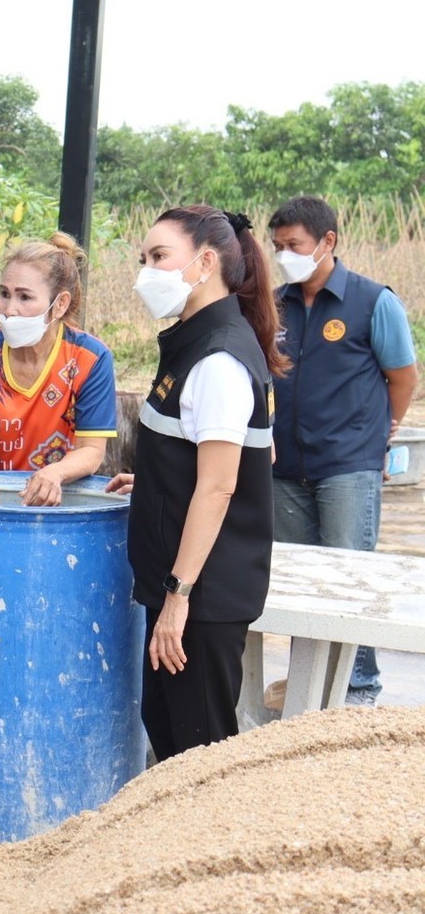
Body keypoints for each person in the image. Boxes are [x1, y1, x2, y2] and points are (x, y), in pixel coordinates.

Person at [105, 206, 286, 762]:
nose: (146, 272)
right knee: (170, 733)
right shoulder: (196, 342)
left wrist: (177, 598)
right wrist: (157, 481)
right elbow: (211, 458)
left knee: (200, 756)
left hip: (200, 597)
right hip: (186, 586)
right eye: (143, 258)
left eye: (159, 257)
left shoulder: (218, 360)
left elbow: (220, 487)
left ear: (205, 263)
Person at [267, 196, 419, 705]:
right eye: (277, 246)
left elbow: (403, 376)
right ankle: (309, 687)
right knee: (302, 581)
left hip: (348, 465)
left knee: (350, 576)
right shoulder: (274, 305)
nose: (284, 256)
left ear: (327, 241)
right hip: (285, 468)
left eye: (294, 245)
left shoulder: (373, 301)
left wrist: (382, 433)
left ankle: (358, 688)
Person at [0, 233, 117, 506]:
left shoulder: (90, 359)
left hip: (58, 498)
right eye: (4, 294)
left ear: (59, 304)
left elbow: (91, 450)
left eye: (24, 297)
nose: (9, 309)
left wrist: (55, 473)